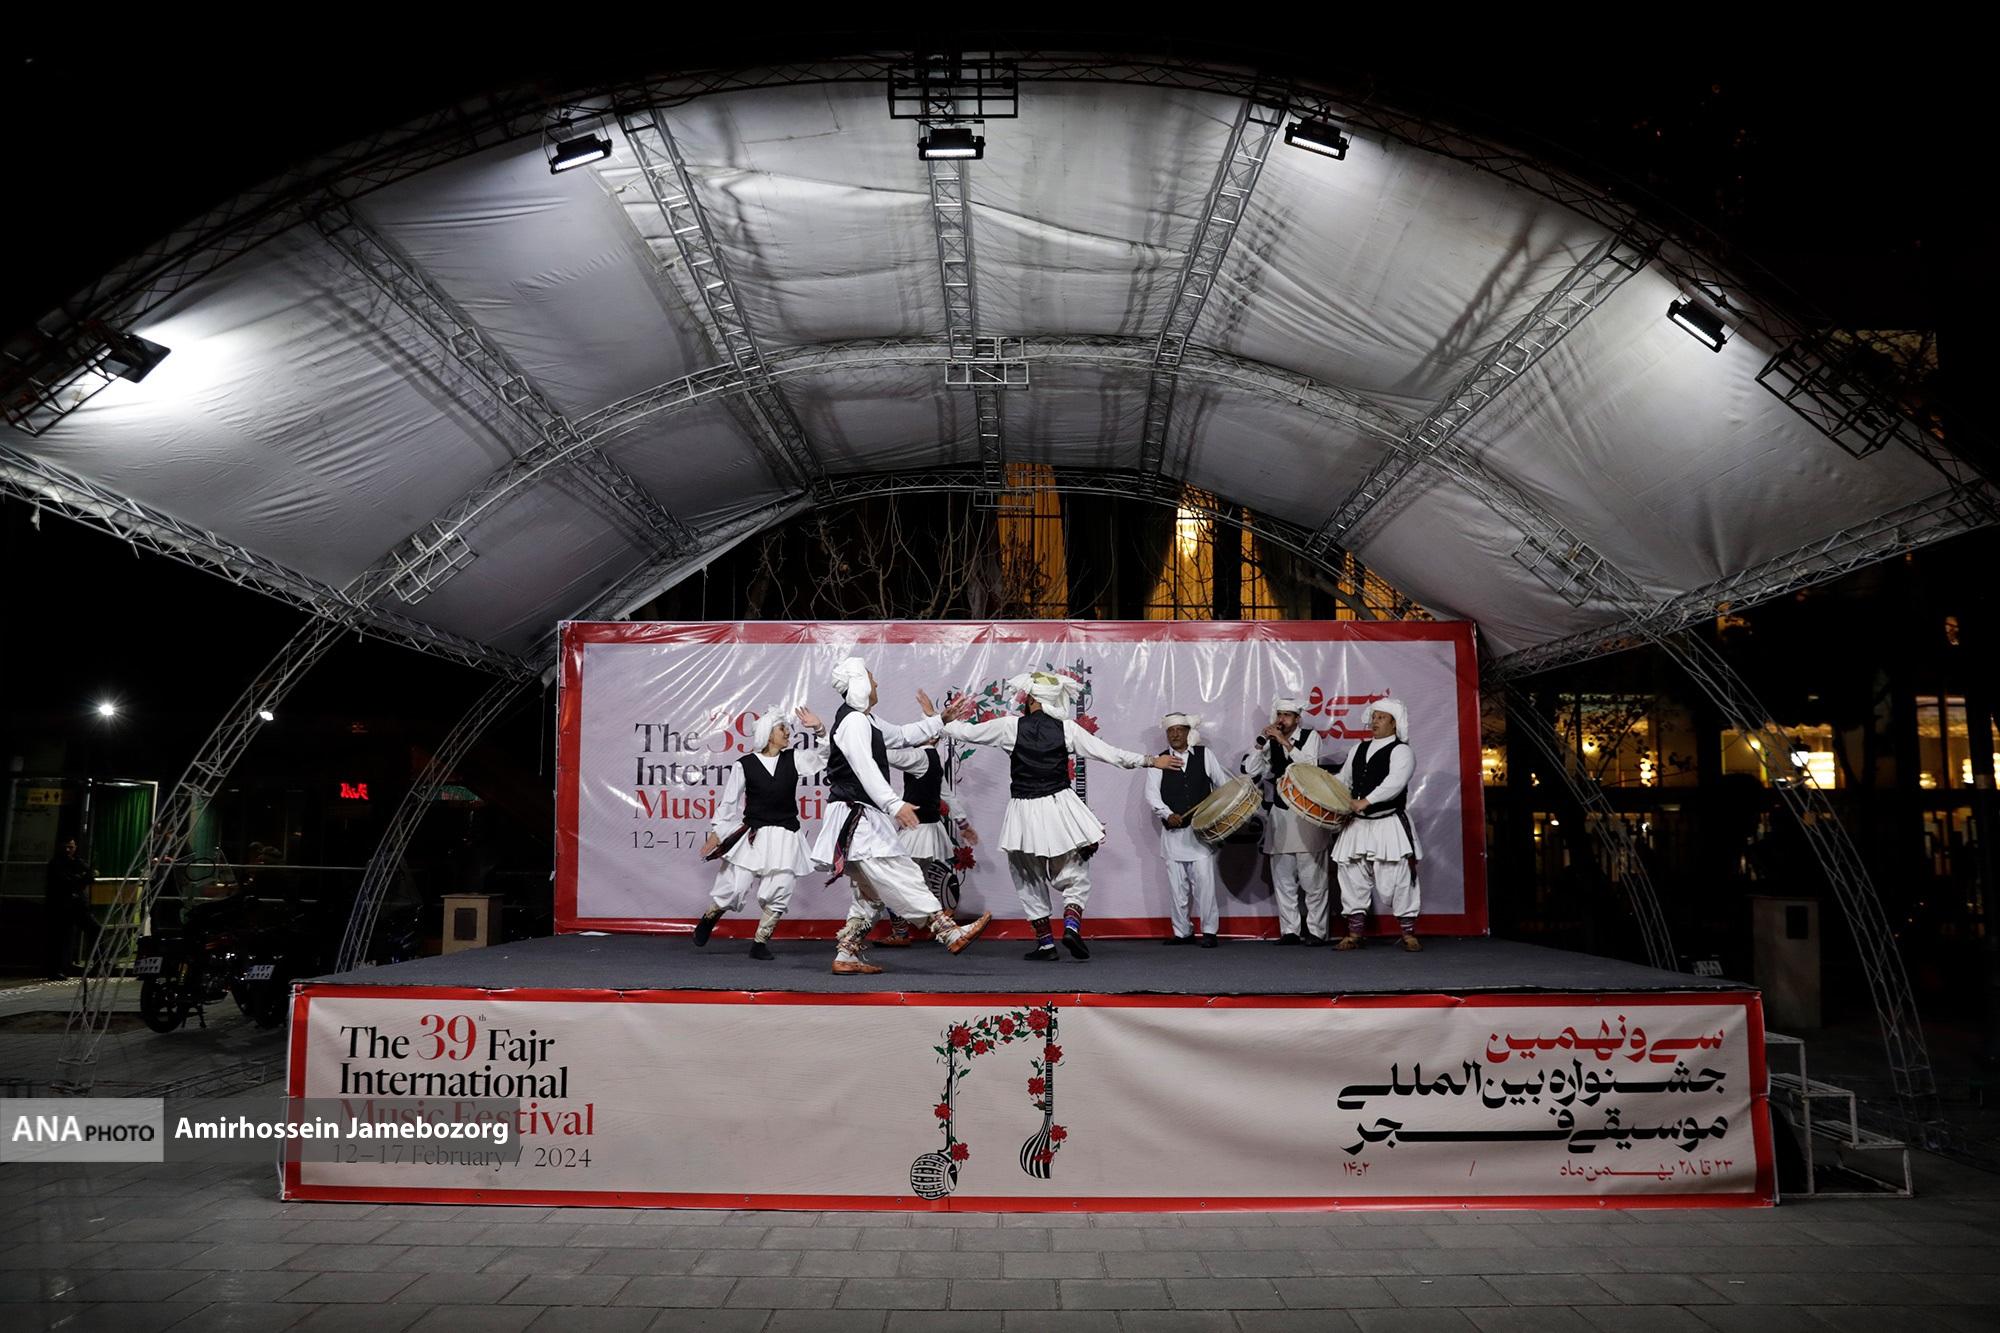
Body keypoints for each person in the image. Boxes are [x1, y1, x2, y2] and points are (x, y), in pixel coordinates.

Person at [943, 670, 1182, 961]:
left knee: (1027, 875)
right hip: (1060, 807)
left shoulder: (1009, 726)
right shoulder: (1067, 729)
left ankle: (1046, 944)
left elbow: (964, 732)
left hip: (1024, 810)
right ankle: (1071, 925)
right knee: (1074, 872)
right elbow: (1109, 753)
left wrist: (937, 719)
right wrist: (1150, 760)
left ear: (1032, 698)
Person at [814, 657, 991, 975]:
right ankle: (947, 931)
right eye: (871, 677)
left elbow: (902, 735)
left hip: (860, 815)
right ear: (860, 683)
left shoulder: (866, 720)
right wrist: (895, 804)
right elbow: (864, 767)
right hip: (857, 817)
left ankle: (847, 953)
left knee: (870, 893)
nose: (876, 683)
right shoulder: (853, 721)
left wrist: (939, 720)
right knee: (901, 872)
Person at [695, 704, 828, 960]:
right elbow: (729, 802)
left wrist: (820, 729)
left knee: (779, 888)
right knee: (735, 886)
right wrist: (717, 833)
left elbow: (823, 756)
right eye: (782, 728)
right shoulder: (745, 765)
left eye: (787, 728)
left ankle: (760, 942)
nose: (787, 732)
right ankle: (711, 916)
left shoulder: (794, 759)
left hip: (785, 835)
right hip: (754, 835)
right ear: (768, 734)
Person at [1242, 694, 1333, 945]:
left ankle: (1316, 931)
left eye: (1287, 715)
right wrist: (1260, 745)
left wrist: (1284, 741)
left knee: (1313, 879)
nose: (1282, 720)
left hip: (1308, 814)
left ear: (1297, 719)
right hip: (1280, 814)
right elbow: (1250, 770)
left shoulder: (1310, 737)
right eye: (1279, 715)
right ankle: (1290, 931)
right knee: (1283, 879)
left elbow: (1310, 765)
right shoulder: (1270, 741)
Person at [1332, 698, 1422, 952]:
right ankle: (1354, 934)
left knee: (1397, 878)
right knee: (1351, 875)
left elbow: (1395, 782)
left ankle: (1408, 934)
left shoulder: (1402, 751)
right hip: (1357, 825)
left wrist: (1366, 801)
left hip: (1388, 823)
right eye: (1373, 717)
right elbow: (1344, 779)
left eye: (1381, 717)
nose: (1375, 721)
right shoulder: (1358, 749)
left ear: (1394, 723)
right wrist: (1324, 788)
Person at [877, 728, 979, 947]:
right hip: (929, 830)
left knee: (891, 879)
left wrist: (861, 741)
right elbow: (948, 796)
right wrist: (963, 824)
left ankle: (908, 931)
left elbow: (886, 755)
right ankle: (938, 921)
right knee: (917, 881)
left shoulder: (918, 756)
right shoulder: (933, 760)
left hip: (916, 832)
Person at [1145, 712, 1233, 947]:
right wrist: (1167, 814)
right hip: (1173, 836)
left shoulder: (1205, 755)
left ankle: (1210, 931)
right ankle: (1182, 932)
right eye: (1170, 731)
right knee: (1177, 889)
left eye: (1179, 730)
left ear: (1188, 732)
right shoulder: (1159, 761)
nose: (1175, 735)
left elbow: (1222, 786)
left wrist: (1215, 812)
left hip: (1200, 835)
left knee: (1205, 887)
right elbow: (1152, 795)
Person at [44, 838, 95, 979]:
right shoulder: (56, 863)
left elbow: (89, 876)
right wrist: (80, 879)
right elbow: (66, 882)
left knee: (93, 929)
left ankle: (99, 963)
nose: (68, 850)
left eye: (71, 847)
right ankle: (58, 969)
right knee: (61, 938)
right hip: (62, 905)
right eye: (65, 847)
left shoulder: (77, 861)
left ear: (75, 847)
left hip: (77, 905)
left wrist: (80, 878)